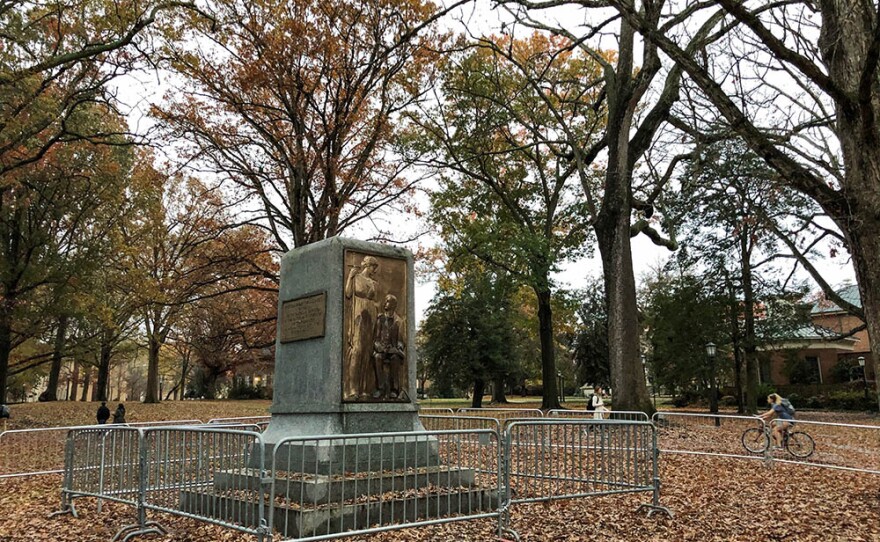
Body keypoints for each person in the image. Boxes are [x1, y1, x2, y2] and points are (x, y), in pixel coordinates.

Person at [344, 256, 379, 400]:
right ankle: (353, 389)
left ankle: (365, 389)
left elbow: (375, 300)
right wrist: (350, 277)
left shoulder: (374, 283)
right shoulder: (356, 277)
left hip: (370, 314)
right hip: (357, 313)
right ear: (367, 265)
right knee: (357, 350)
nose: (374, 271)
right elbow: (348, 294)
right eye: (373, 267)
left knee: (367, 352)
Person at [372, 294, 406, 400]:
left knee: (395, 359)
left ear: (393, 305)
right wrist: (378, 347)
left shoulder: (399, 321)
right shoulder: (380, 319)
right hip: (382, 350)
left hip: (393, 350)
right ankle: (380, 388)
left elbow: (402, 341)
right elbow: (376, 339)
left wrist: (397, 348)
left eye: (387, 301)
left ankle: (394, 390)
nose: (384, 303)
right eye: (385, 301)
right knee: (377, 357)